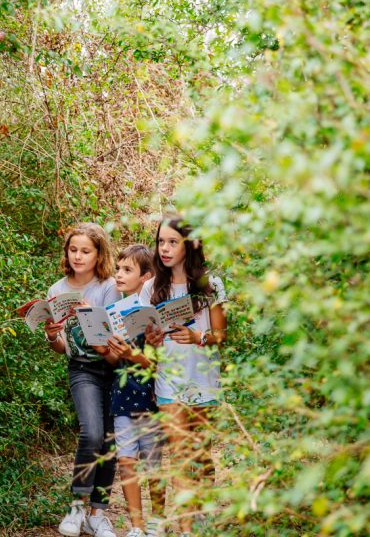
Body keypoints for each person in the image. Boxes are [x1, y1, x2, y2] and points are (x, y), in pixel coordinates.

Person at [141, 215, 227, 537]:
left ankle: (202, 513)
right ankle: (186, 529)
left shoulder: (210, 284)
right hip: (169, 381)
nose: (164, 249)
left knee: (201, 455)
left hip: (203, 380)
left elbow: (220, 335)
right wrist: (151, 340)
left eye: (172, 242)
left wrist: (197, 337)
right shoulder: (151, 287)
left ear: (190, 245)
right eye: (161, 242)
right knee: (179, 455)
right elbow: (146, 338)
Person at [44, 223, 120, 537]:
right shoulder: (57, 290)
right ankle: (77, 507)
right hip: (83, 369)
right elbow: (62, 346)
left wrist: (91, 317)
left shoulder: (109, 286)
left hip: (114, 369)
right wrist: (52, 336)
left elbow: (116, 335)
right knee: (92, 433)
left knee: (110, 442)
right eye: (73, 250)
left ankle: (97, 515)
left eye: (85, 251)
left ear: (98, 254)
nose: (78, 256)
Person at [106, 244, 165, 537]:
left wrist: (133, 354)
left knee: (152, 463)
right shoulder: (114, 312)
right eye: (118, 269)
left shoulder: (154, 312)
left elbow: (159, 364)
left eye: (127, 270)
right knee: (126, 461)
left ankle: (157, 520)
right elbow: (114, 360)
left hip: (151, 397)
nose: (119, 274)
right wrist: (105, 349)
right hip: (122, 394)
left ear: (146, 277)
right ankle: (136, 527)